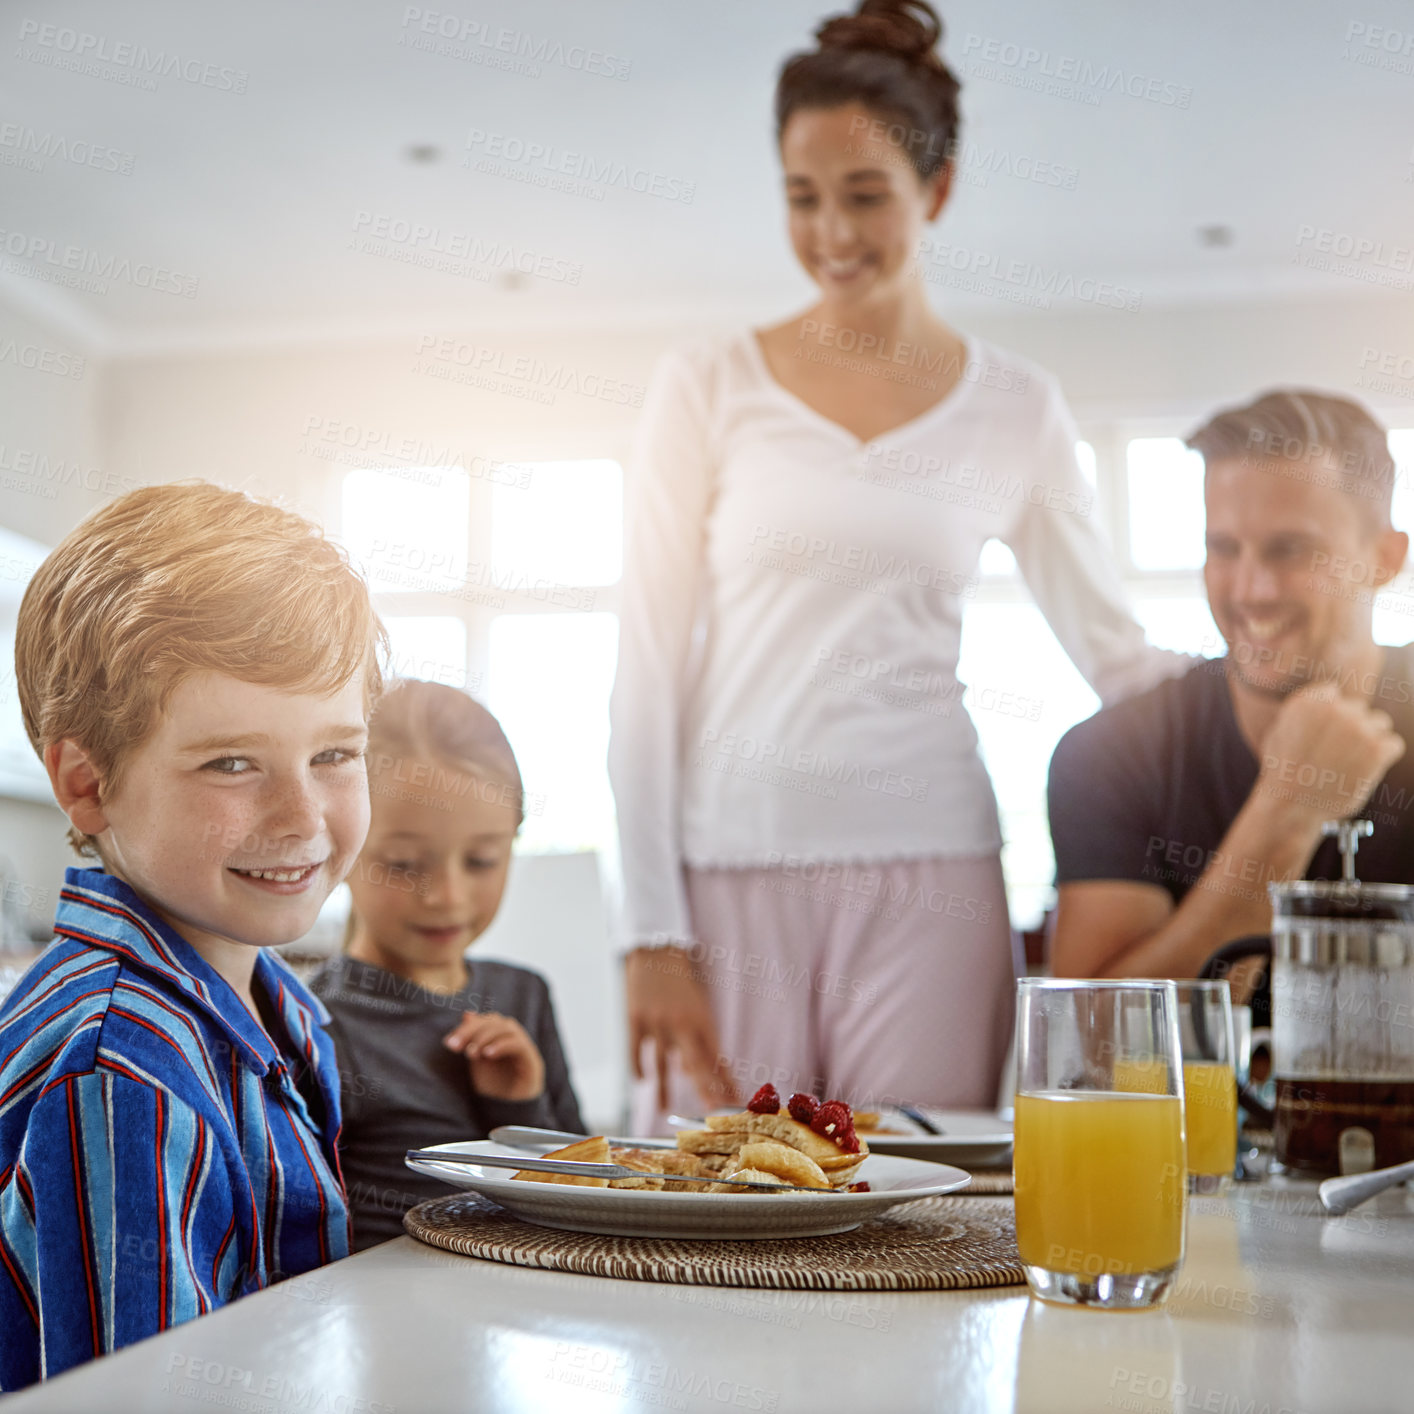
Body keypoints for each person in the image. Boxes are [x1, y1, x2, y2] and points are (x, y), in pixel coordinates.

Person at [608, 0, 1184, 1130]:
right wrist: (648, 934)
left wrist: (1295, 692)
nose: (831, 234)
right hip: (726, 869)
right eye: (801, 196)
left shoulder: (1018, 407)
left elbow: (1117, 656)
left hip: (933, 874)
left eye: (864, 195)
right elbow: (644, 670)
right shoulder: (706, 384)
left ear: (939, 189)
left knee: (911, 1209)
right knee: (710, 1208)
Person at [0, 483, 384, 1390]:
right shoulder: (122, 1073)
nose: (302, 817)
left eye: (334, 754)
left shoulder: (274, 1007)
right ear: (89, 784)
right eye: (232, 763)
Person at [1048, 390, 1413, 980]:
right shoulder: (1112, 754)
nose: (1252, 591)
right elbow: (1101, 1050)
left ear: (1385, 558)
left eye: (1291, 550)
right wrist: (1287, 809)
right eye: (1224, 548)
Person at [310, 679, 583, 1250]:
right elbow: (309, 1237)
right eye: (406, 863)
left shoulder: (523, 995)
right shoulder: (320, 1025)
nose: (447, 896)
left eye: (481, 860)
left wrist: (518, 1103)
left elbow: (585, 1190)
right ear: (341, 843)